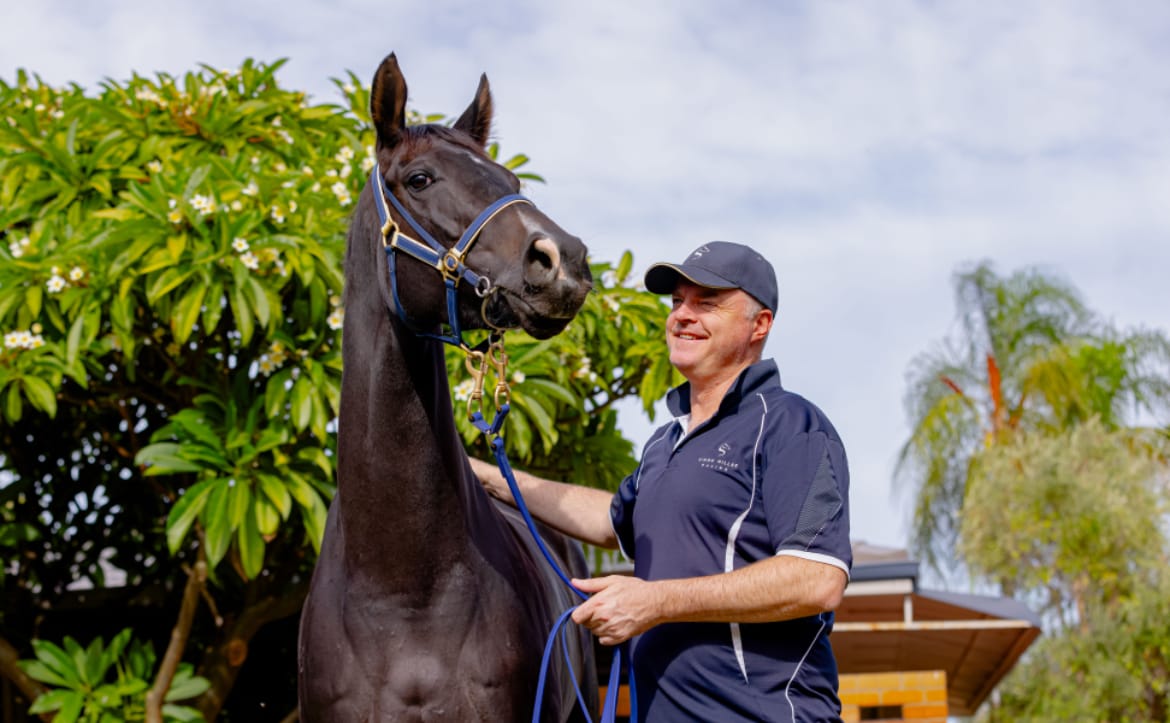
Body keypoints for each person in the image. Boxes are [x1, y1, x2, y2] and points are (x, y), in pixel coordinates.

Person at [471, 241, 852, 722]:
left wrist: (656, 601)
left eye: (707, 303)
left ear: (760, 325)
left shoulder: (789, 424)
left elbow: (817, 578)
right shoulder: (664, 441)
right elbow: (613, 522)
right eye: (677, 303)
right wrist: (490, 477)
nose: (683, 316)